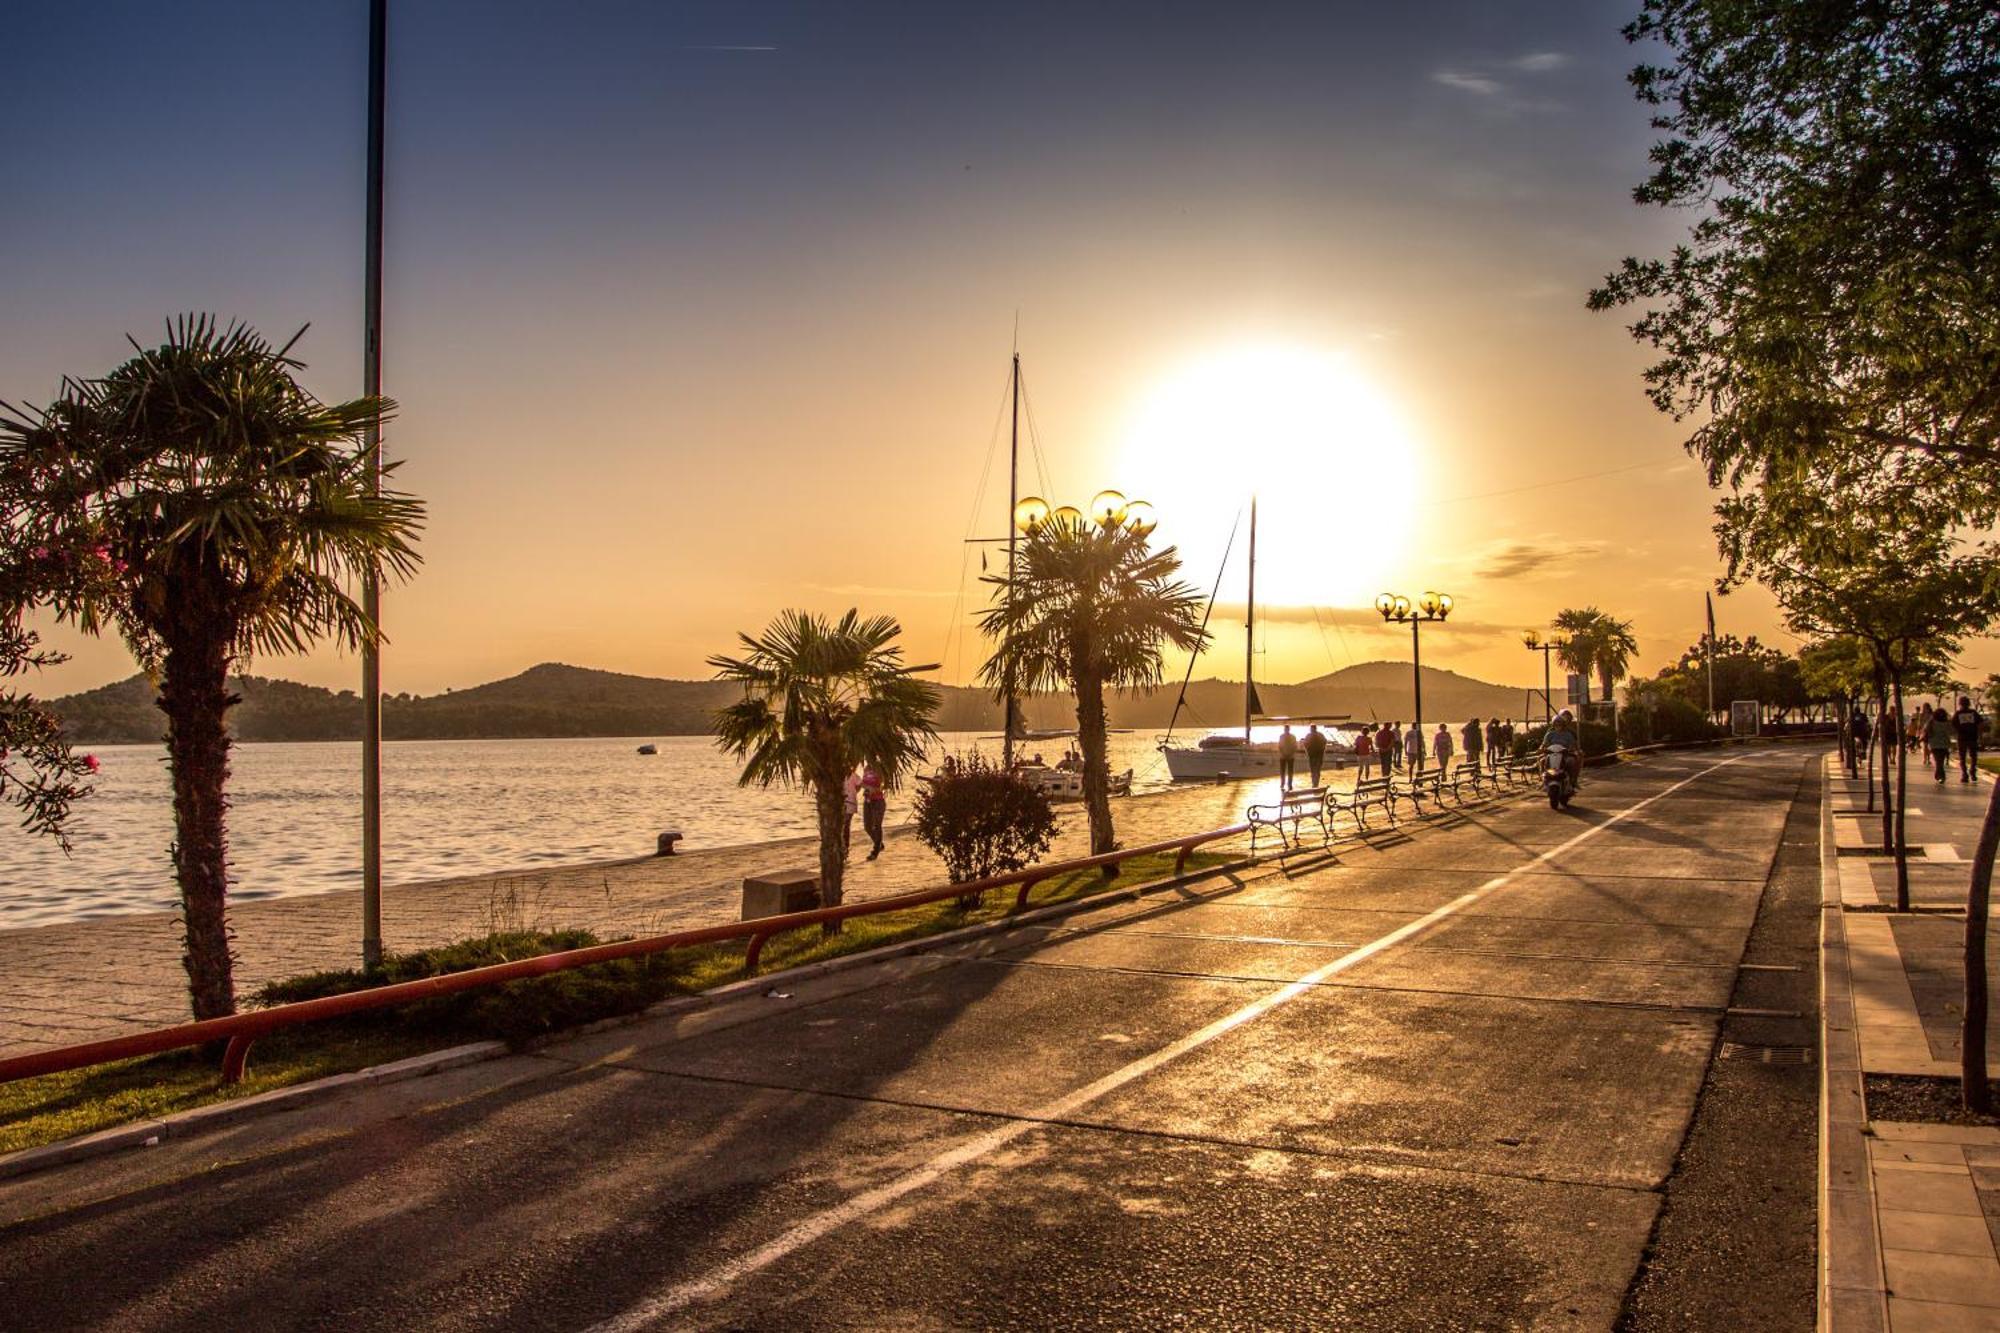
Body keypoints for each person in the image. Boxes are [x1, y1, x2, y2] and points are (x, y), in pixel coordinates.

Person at [1543, 709, 1583, 790]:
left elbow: (1573, 744)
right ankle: (1544, 781)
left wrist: (1572, 750)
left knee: (1571, 761)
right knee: (1542, 761)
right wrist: (1542, 749)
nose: (1558, 725)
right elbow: (1544, 744)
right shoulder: (1550, 733)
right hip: (1552, 754)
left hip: (1565, 754)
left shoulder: (1569, 733)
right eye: (1556, 724)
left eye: (1560, 724)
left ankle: (1573, 781)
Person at [1953, 695, 1984, 784]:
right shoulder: (1973, 712)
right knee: (1973, 756)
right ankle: (1973, 773)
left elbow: (1953, 724)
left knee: (1962, 758)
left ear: (1960, 704)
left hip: (1962, 738)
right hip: (1972, 737)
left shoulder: (1958, 713)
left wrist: (1959, 730)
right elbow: (1980, 723)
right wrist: (1979, 733)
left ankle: (1964, 775)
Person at [860, 763, 887, 858]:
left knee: (877, 825)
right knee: (867, 827)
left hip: (878, 801)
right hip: (867, 801)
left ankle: (875, 851)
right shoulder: (867, 768)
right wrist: (867, 788)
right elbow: (862, 783)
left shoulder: (879, 768)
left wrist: (875, 789)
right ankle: (879, 843)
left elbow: (884, 785)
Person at [1925, 706, 1954, 784]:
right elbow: (1951, 732)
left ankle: (1939, 775)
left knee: (1938, 760)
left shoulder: (1931, 722)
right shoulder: (1947, 723)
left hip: (1934, 744)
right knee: (1940, 760)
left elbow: (1926, 730)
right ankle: (1940, 775)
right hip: (1944, 744)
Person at [842, 767, 862, 856]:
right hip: (840, 802)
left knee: (846, 824)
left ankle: (845, 846)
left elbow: (859, 784)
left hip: (850, 803)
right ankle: (843, 846)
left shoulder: (853, 775)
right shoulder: (838, 775)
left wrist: (854, 792)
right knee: (843, 825)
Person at [1847, 708, 1872, 780]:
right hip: (1862, 733)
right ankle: (1862, 754)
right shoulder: (1863, 716)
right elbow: (1867, 724)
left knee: (1854, 746)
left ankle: (1857, 755)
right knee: (1864, 745)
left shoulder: (1851, 715)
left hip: (1854, 734)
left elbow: (1847, 724)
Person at [1277, 724, 1299, 791]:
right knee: (1283, 771)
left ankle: (1289, 784)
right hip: (1284, 756)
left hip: (1289, 756)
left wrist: (1290, 753)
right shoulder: (1282, 736)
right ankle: (1283, 783)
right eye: (1285, 729)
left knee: (1289, 772)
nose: (1286, 730)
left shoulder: (1291, 737)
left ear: (1288, 729)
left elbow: (1295, 747)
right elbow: (1279, 746)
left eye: (1287, 729)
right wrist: (1284, 753)